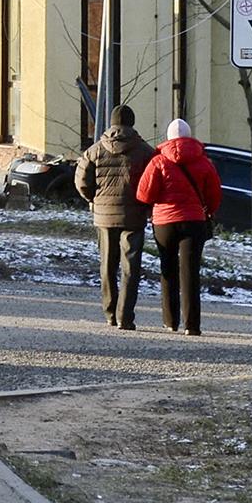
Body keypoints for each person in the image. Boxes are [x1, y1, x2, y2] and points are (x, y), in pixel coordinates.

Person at [135, 118, 221, 336]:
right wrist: (207, 210)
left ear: (168, 137)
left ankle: (170, 320)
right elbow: (214, 195)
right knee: (191, 272)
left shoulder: (158, 162)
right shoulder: (204, 162)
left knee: (168, 268)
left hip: (164, 223)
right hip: (194, 221)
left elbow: (144, 193)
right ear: (190, 136)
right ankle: (192, 325)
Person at [74, 105, 156, 329]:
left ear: (111, 123)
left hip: (104, 215)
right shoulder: (145, 151)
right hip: (134, 215)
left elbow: (81, 181)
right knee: (130, 267)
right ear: (132, 122)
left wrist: (93, 199)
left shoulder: (95, 150)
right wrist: (147, 205)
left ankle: (109, 313)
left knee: (108, 265)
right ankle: (125, 316)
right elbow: (153, 181)